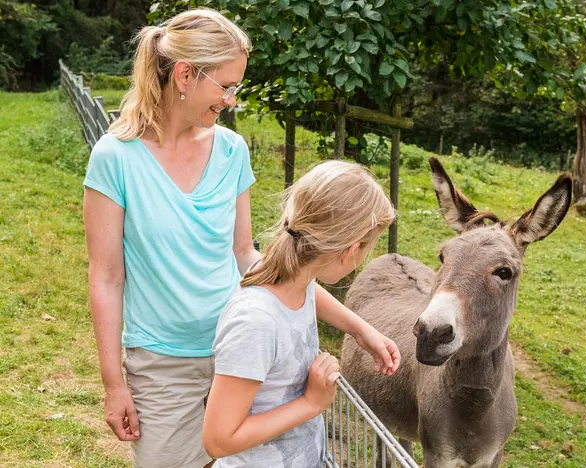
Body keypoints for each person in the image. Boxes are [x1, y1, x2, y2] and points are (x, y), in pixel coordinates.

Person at [83, 8, 400, 468]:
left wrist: (358, 327)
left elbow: (249, 257)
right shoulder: (115, 159)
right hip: (164, 366)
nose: (231, 100)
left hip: (242, 355)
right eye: (226, 86)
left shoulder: (231, 151)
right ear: (186, 75)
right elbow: (107, 277)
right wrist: (115, 385)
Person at [203, 161, 396, 467]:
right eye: (367, 248)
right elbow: (218, 439)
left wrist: (360, 329)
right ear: (350, 249)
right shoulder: (255, 323)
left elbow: (309, 293)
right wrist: (311, 403)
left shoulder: (294, 277)